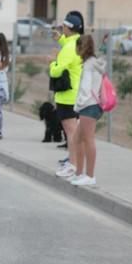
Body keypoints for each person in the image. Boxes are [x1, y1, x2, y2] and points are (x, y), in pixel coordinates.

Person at [52, 12, 84, 179]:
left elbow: (57, 70)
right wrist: (61, 40)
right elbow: (69, 45)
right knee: (74, 132)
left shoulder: (69, 48)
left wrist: (52, 62)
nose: (62, 28)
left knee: (71, 133)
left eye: (64, 27)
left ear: (69, 28)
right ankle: (75, 164)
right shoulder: (77, 42)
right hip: (76, 94)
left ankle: (73, 165)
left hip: (67, 96)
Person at [70, 34, 105, 186]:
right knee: (77, 139)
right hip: (93, 105)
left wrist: (78, 106)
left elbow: (85, 89)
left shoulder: (89, 65)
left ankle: (90, 176)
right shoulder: (94, 62)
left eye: (77, 47)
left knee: (88, 139)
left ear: (80, 47)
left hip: (88, 106)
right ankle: (79, 173)